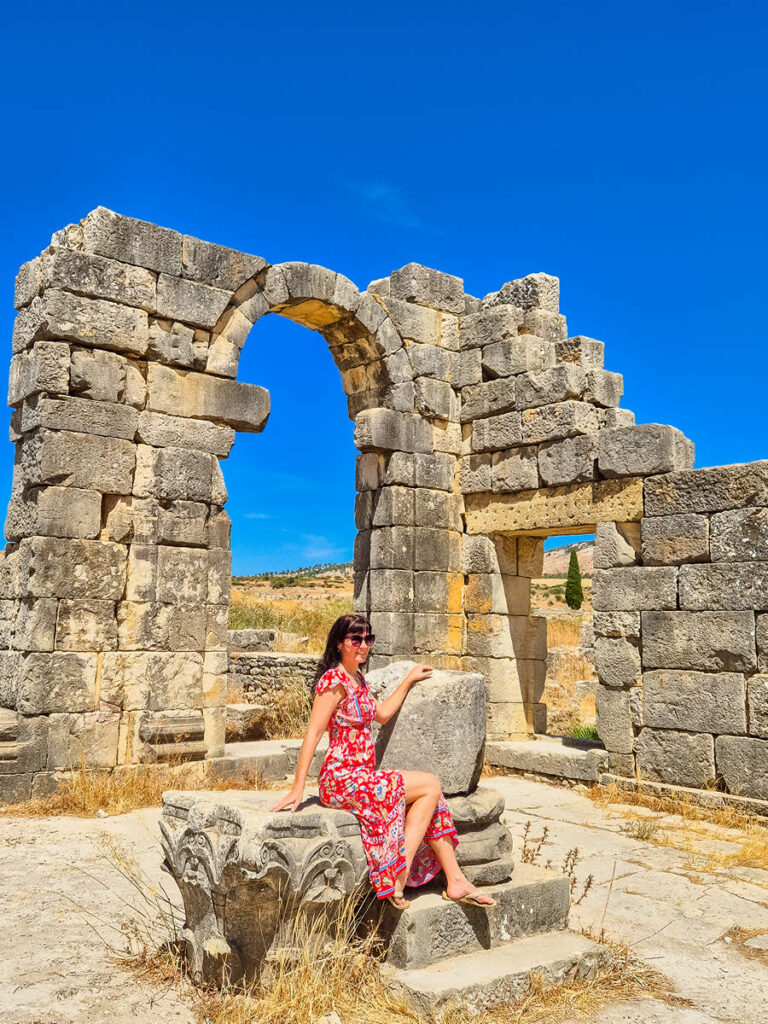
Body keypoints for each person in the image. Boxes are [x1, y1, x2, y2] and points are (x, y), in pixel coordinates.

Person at [271, 613, 496, 911]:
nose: (363, 645)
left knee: (432, 797)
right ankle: (399, 874)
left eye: (368, 639)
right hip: (341, 778)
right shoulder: (334, 680)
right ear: (340, 644)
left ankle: (454, 879)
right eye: (356, 639)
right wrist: (298, 787)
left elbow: (382, 714)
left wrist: (408, 680)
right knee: (430, 785)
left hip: (362, 775)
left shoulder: (358, 680)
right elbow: (313, 733)